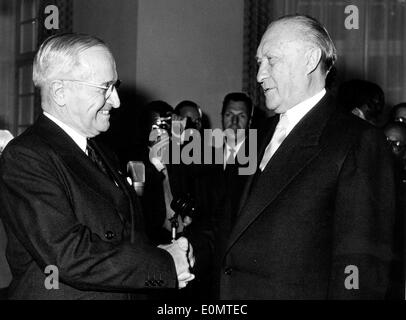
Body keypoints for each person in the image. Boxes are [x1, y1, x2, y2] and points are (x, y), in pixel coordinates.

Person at [0, 33, 194, 300]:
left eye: (116, 86)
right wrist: (163, 265)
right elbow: (67, 256)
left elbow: (120, 236)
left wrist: (161, 254)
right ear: (60, 92)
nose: (116, 101)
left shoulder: (100, 149)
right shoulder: (26, 156)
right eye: (105, 88)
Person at [218, 14, 399, 299]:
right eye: (258, 63)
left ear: (310, 59)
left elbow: (361, 266)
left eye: (271, 60)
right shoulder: (257, 136)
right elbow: (231, 222)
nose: (259, 75)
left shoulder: (357, 140)